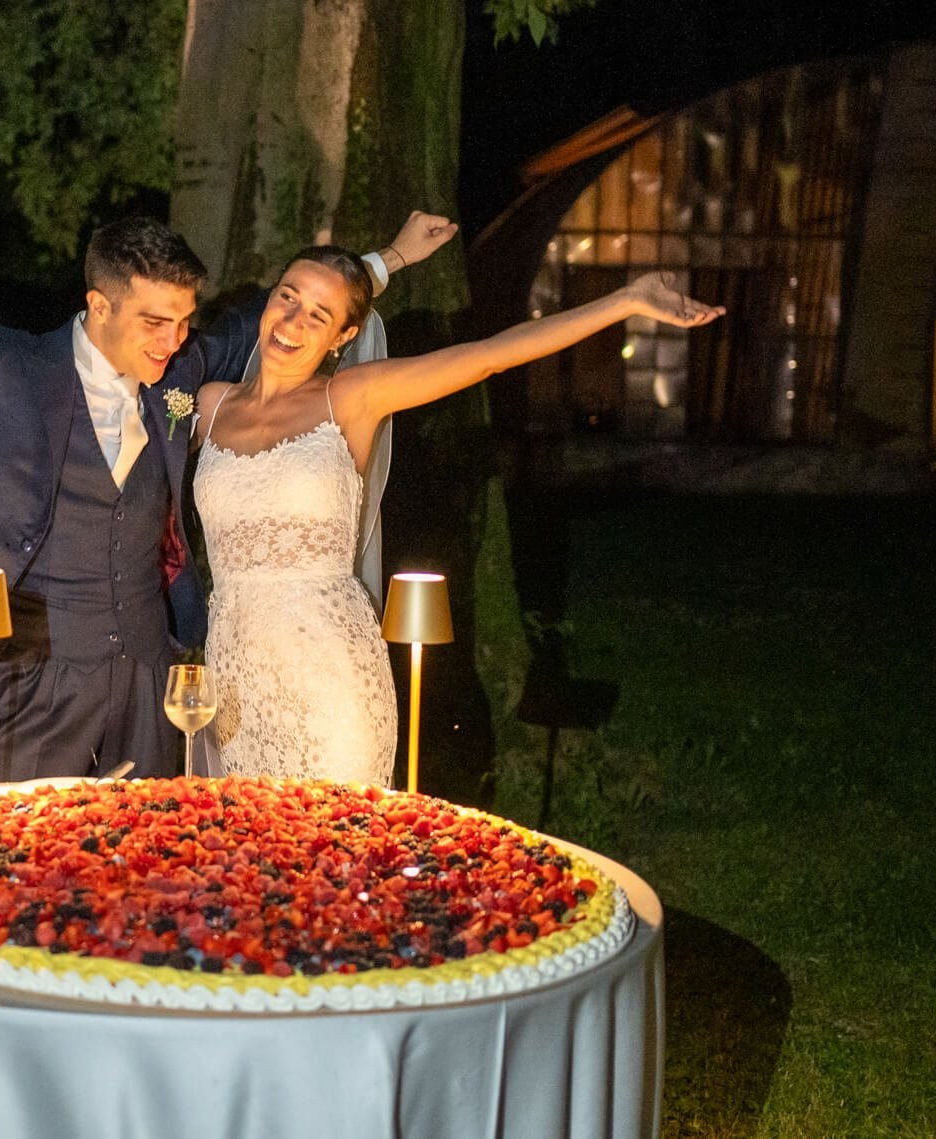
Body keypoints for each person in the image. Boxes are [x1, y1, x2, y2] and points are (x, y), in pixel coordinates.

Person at [0, 189, 456, 781]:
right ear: (99, 305)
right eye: (155, 321)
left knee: (148, 876)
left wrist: (388, 257)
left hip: (150, 679)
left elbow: (281, 316)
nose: (174, 341)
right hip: (33, 681)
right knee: (25, 878)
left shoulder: (177, 376)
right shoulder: (3, 376)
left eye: (182, 322)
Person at [192, 245, 724, 786]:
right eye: (288, 297)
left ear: (343, 338)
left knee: (339, 850)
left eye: (319, 315)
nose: (292, 322)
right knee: (248, 854)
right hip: (237, 672)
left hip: (328, 673)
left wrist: (623, 301)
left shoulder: (351, 396)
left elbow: (490, 355)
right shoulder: (208, 406)